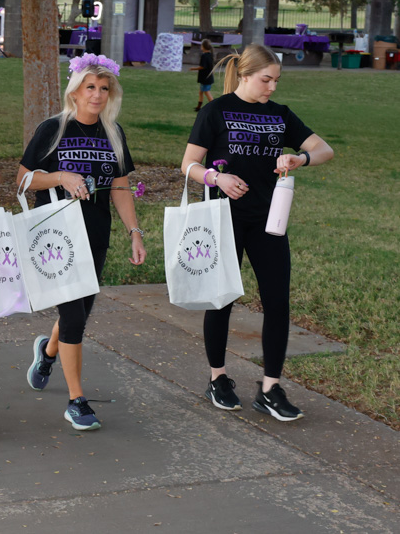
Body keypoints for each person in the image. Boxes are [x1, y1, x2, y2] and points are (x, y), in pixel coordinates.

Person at [181, 44, 334, 421]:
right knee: (223, 298)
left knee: (278, 301)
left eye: (276, 80)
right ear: (245, 75)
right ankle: (218, 378)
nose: (272, 88)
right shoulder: (216, 111)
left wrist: (300, 157)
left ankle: (270, 387)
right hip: (225, 217)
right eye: (267, 79)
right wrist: (218, 177)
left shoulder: (280, 115)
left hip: (270, 221)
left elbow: (323, 148)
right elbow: (188, 164)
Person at [21, 53, 146, 431]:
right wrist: (60, 176)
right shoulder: (53, 129)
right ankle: (77, 400)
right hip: (57, 238)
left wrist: (134, 233)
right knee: (73, 315)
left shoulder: (114, 133)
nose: (97, 94)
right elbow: (23, 180)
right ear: (75, 92)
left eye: (104, 88)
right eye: (90, 87)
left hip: (95, 235)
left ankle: (47, 352)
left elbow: (121, 187)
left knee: (79, 311)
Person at [191, 38, 215, 111]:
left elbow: (203, 67)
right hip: (208, 77)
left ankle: (214, 107)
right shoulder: (210, 55)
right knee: (201, 92)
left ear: (203, 47)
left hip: (206, 78)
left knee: (206, 92)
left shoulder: (204, 56)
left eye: (201, 45)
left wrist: (193, 69)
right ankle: (198, 107)